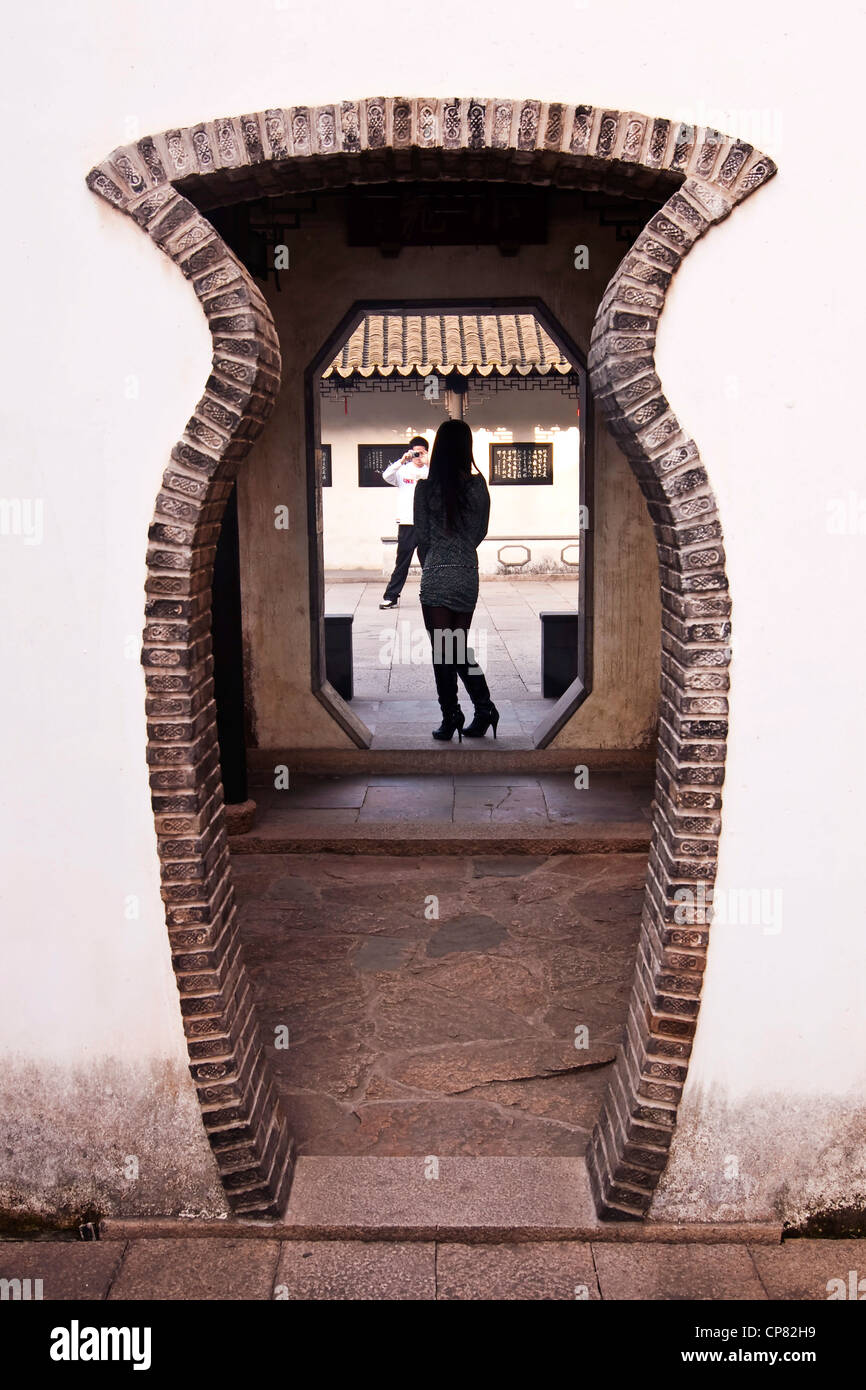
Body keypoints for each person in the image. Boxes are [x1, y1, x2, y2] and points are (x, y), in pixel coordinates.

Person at [413, 419, 500, 741]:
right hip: (466, 571)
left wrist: (438, 556)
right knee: (456, 646)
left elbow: (421, 536)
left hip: (435, 571)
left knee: (444, 650)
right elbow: (480, 531)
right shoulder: (478, 487)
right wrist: (461, 550)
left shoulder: (425, 488)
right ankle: (484, 708)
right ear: (467, 449)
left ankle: (452, 715)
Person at [378, 436, 429, 609]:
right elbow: (386, 475)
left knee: (429, 562)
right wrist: (401, 460)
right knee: (402, 562)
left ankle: (432, 594)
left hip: (427, 524)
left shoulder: (431, 471)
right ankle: (391, 596)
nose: (418, 455)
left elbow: (443, 481)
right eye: (415, 452)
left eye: (421, 452)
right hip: (407, 523)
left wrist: (429, 462)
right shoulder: (403, 471)